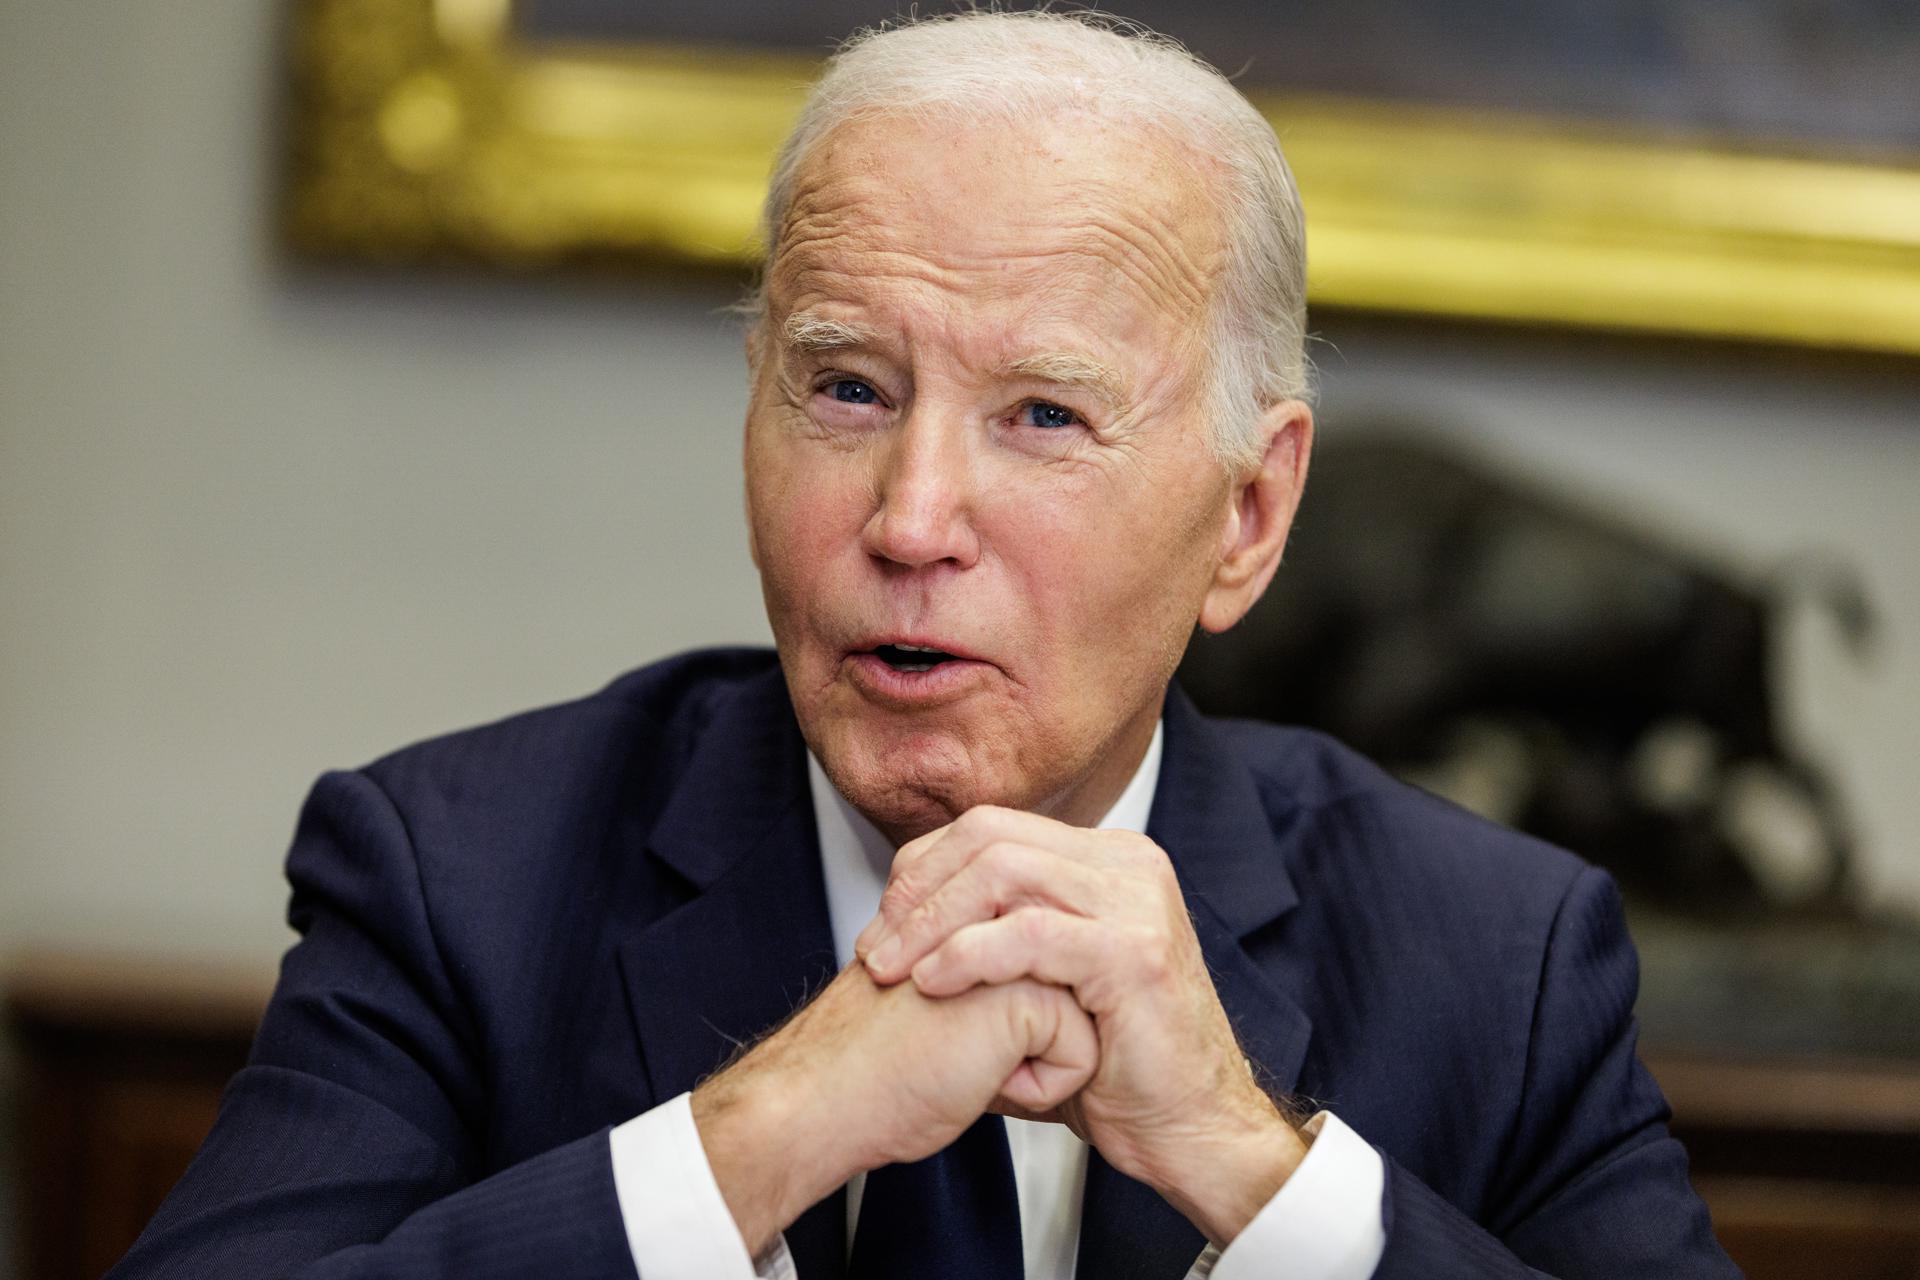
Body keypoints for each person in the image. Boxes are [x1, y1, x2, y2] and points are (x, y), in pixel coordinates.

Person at [109, 11, 1740, 1280]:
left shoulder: (1496, 962)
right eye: (845, 388)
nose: (910, 517)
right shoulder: (457, 881)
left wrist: (1255, 1169)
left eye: (1042, 414)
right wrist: (756, 1135)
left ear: (1247, 520)